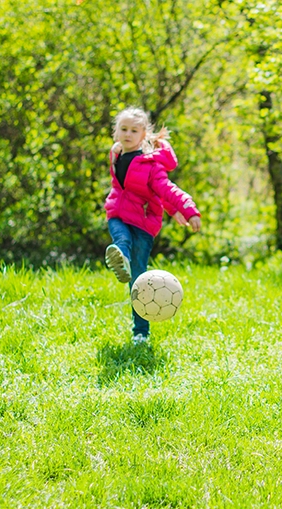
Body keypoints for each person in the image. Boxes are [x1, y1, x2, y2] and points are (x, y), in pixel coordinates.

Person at [103, 107, 202, 344]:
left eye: (133, 130)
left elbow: (164, 190)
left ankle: (141, 332)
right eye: (123, 129)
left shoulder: (151, 164)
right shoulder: (116, 154)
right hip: (117, 214)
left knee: (139, 280)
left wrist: (184, 209)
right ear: (116, 132)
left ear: (144, 134)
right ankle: (121, 256)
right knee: (121, 240)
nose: (127, 134)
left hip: (144, 224)